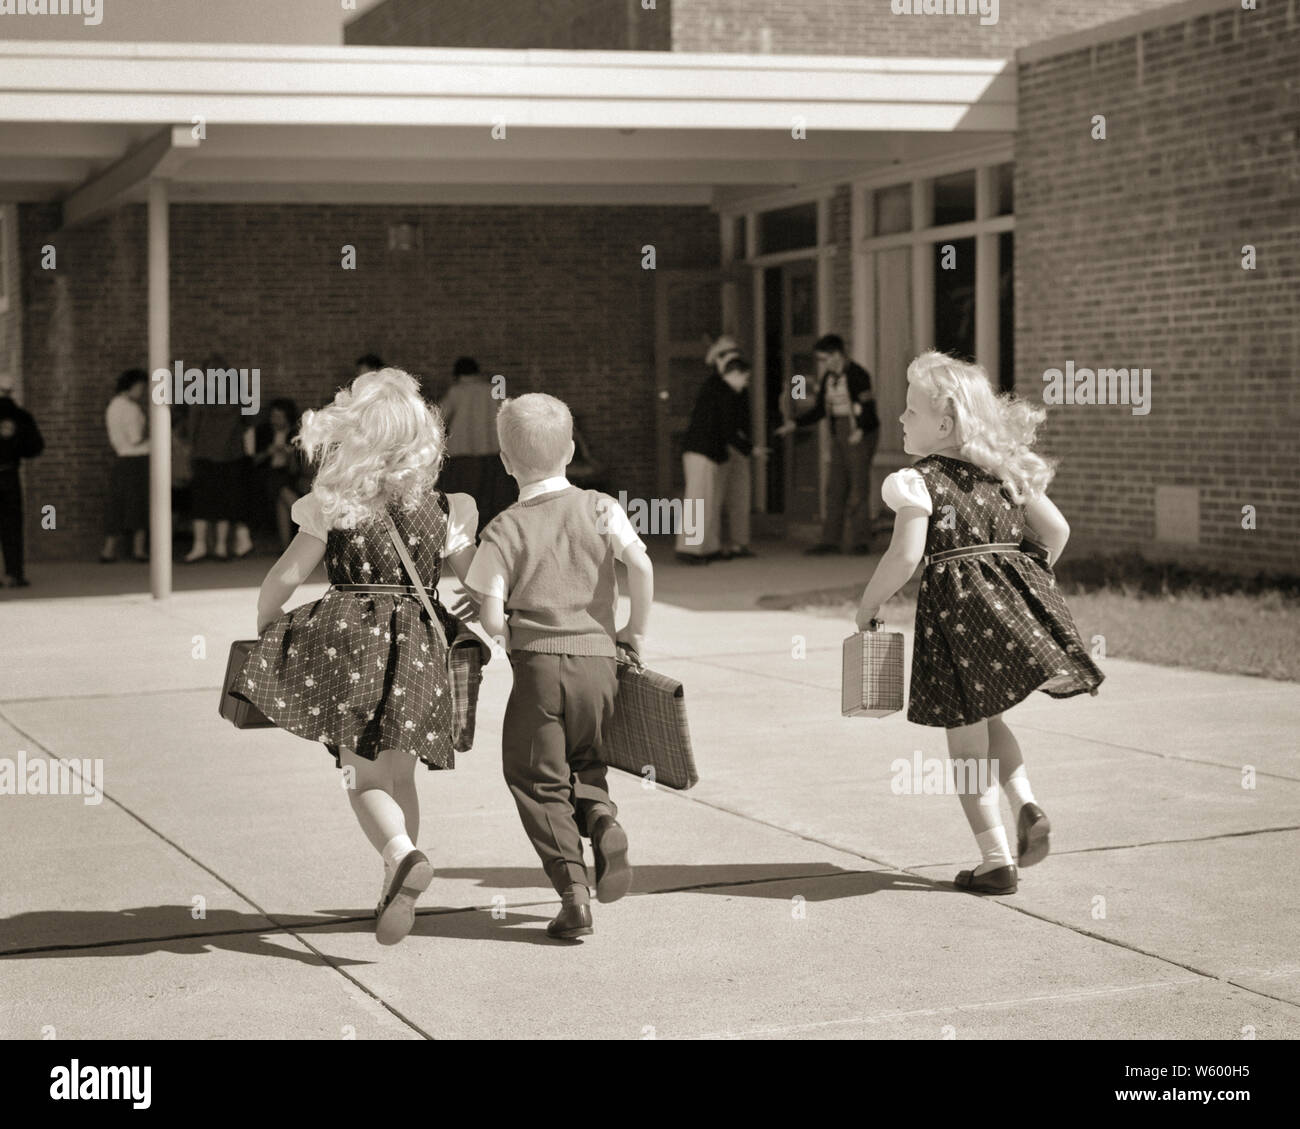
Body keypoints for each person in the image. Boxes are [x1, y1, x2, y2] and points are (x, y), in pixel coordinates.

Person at [241, 368, 480, 946]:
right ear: (424, 437)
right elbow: (480, 581)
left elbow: (282, 580)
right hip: (422, 649)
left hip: (351, 649)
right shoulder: (450, 508)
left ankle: (401, 856)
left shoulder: (331, 504)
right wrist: (485, 599)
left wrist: (267, 628)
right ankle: (393, 882)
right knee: (401, 774)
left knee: (362, 777)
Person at [854, 351, 1103, 895]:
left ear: (943, 425)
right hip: (1006, 617)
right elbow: (1057, 532)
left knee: (965, 747)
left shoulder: (916, 482)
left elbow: (904, 556)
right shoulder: (1003, 472)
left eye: (910, 411)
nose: (900, 419)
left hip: (956, 626)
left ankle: (995, 861)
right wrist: (1021, 584)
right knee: (990, 721)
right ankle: (1027, 803)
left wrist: (869, 605)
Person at [465, 393, 653, 940]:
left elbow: (493, 616)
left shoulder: (504, 529)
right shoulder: (599, 506)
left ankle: (573, 894)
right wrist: (634, 630)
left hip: (540, 672)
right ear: (570, 450)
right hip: (601, 663)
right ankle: (601, 820)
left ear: (505, 461)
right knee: (586, 758)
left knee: (535, 777)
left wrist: (501, 627)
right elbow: (639, 562)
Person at [776, 332, 880, 556]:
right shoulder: (828, 378)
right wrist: (795, 424)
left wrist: (860, 430)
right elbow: (820, 410)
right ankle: (830, 540)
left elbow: (868, 408)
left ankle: (860, 539)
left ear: (837, 355)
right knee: (835, 486)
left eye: (824, 358)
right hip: (838, 432)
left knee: (858, 487)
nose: (822, 363)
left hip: (858, 432)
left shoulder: (857, 375)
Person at [676, 349, 761, 564]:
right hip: (702, 452)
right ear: (735, 373)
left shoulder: (718, 388)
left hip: (707, 453)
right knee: (698, 502)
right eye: (746, 377)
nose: (746, 383)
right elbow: (728, 430)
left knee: (708, 502)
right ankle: (689, 550)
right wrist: (751, 450)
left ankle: (708, 548)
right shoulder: (723, 392)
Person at [184, 361, 253, 563]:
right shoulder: (239, 399)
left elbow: (192, 429)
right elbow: (250, 422)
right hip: (231, 457)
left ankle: (199, 546)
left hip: (203, 456)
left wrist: (191, 451)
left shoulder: (198, 398)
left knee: (201, 503)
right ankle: (221, 547)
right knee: (224, 503)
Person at [437, 356, 511, 531]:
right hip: (492, 453)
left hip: (462, 455)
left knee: (463, 502)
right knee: (490, 501)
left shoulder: (456, 391)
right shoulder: (493, 390)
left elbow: (438, 417)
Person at [101, 368, 151, 564]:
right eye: (141, 387)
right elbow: (136, 438)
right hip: (137, 460)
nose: (143, 391)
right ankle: (139, 550)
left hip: (122, 459)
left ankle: (108, 550)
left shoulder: (113, 406)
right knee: (139, 504)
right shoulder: (130, 408)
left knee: (118, 506)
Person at [0, 372, 45, 587]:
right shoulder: (22, 416)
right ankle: (14, 574)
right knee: (12, 525)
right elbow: (35, 447)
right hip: (9, 475)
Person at [251, 398, 307, 552]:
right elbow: (253, 461)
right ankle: (306, 516)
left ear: (287, 417)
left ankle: (286, 548)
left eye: (279, 417)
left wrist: (289, 455)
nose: (274, 420)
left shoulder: (296, 433)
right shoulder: (264, 431)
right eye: (273, 416)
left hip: (290, 475)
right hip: (267, 473)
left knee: (281, 497)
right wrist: (268, 452)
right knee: (279, 487)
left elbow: (298, 467)